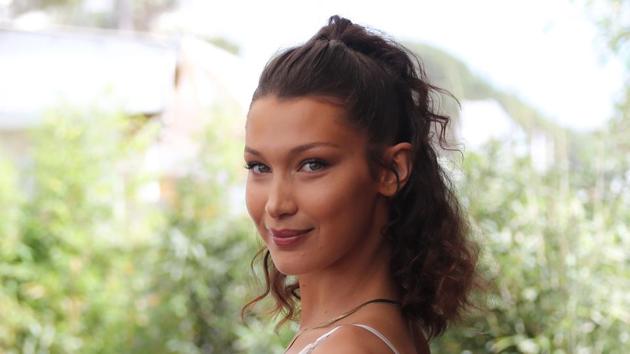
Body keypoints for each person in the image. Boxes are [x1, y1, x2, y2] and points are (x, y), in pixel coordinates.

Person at [242, 15, 479, 354]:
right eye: (259, 166)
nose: (276, 204)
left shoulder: (346, 346)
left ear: (390, 170)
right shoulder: (386, 331)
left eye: (312, 164)